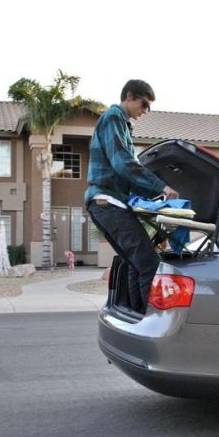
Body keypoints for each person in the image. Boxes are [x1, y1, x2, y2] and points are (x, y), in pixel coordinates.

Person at [85, 79, 179, 313]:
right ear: (130, 96)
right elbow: (124, 164)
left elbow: (126, 172)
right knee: (150, 265)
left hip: (108, 202)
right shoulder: (114, 117)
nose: (145, 111)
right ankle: (151, 320)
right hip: (108, 201)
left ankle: (135, 315)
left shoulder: (122, 124)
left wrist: (156, 197)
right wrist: (161, 187)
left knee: (136, 264)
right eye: (144, 104)